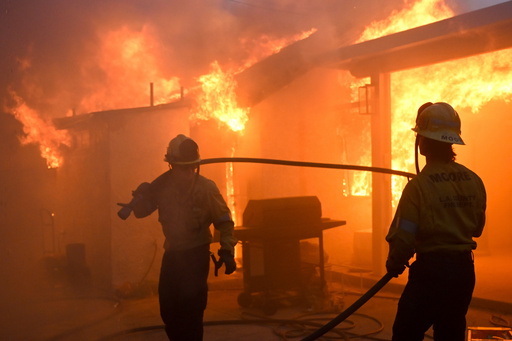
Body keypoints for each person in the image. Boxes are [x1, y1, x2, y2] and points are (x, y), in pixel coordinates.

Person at [118, 134, 238, 341]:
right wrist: (141, 196)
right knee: (169, 309)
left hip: (196, 254)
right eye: (184, 169)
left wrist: (227, 250)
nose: (189, 173)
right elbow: (141, 212)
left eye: (193, 168)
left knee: (191, 311)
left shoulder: (207, 188)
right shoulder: (162, 187)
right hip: (173, 254)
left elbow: (224, 222)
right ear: (172, 166)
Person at [385, 102, 486, 341]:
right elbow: (477, 229)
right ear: (453, 140)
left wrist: (395, 262)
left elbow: (404, 235)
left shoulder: (418, 187)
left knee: (405, 333)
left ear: (422, 142)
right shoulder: (474, 181)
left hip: (431, 273)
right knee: (450, 333)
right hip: (463, 273)